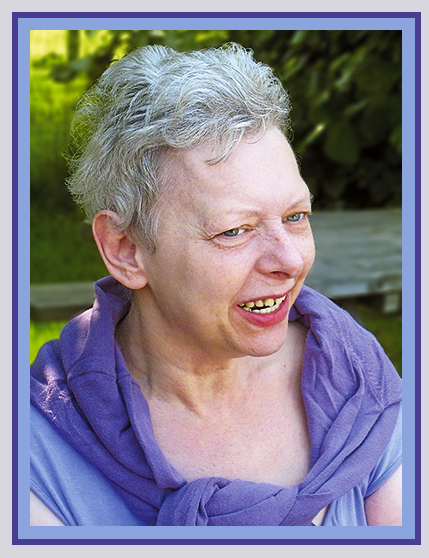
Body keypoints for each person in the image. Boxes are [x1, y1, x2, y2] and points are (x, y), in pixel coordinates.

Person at [30, 43, 402, 527]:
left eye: (295, 216)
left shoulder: (354, 379)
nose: (290, 261)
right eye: (234, 231)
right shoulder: (37, 452)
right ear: (125, 249)